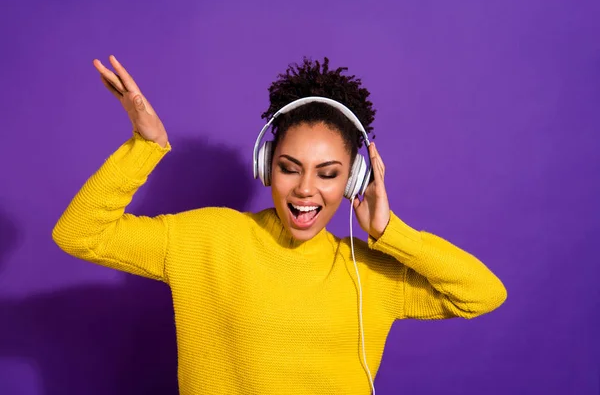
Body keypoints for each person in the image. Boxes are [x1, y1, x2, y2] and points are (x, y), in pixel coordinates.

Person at [52, 55, 507, 395]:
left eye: (328, 173)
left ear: (355, 180)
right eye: (291, 168)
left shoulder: (368, 271)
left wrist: (391, 233)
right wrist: (145, 146)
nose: (306, 189)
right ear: (267, 165)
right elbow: (79, 233)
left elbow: (483, 294)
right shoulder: (208, 238)